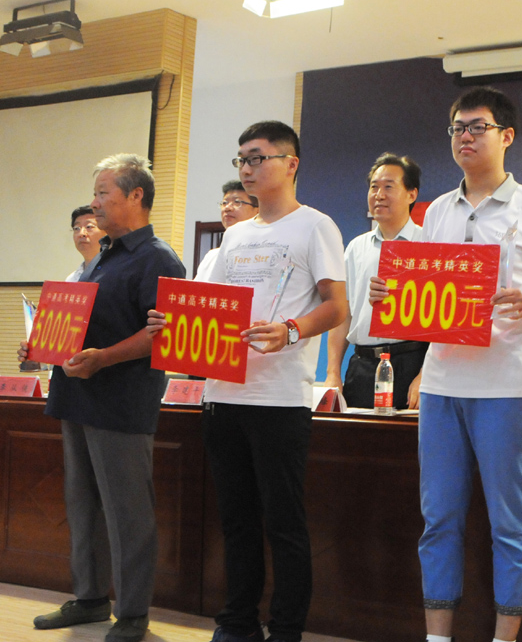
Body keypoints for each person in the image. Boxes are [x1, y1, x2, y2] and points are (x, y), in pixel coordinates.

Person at [368, 86, 522, 642]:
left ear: (507, 136)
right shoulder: (436, 210)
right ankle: (438, 636)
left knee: (509, 522)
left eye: (478, 127)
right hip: (441, 385)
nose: (465, 136)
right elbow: (422, 297)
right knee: (439, 520)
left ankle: (504, 638)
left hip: (507, 387)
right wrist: (391, 293)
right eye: (458, 128)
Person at [151, 121, 347, 642]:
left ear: (291, 163)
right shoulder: (234, 236)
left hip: (279, 399)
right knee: (235, 520)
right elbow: (208, 307)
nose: (247, 169)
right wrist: (173, 321)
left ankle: (285, 630)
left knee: (283, 523)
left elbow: (337, 307)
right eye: (241, 160)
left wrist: (290, 330)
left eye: (258, 158)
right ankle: (237, 623)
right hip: (222, 395)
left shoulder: (315, 226)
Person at [18, 154, 185, 642]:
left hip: (121, 402)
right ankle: (90, 598)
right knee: (83, 503)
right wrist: (42, 344)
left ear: (136, 195)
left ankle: (132, 612)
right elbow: (81, 323)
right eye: (94, 194)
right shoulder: (101, 258)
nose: (93, 204)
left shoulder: (157, 258)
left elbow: (164, 334)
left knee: (127, 509)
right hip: (77, 395)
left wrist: (104, 358)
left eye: (102, 193)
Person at [326, 153, 427, 409]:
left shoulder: (428, 244)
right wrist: (333, 372)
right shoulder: (356, 247)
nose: (379, 195)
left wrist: (426, 374)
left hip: (412, 363)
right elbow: (344, 313)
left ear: (412, 194)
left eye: (389, 187)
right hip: (362, 365)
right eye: (374, 187)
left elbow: (442, 323)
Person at [194, 181, 259, 282]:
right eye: (224, 203)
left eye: (237, 202)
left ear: (258, 210)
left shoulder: (261, 253)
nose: (227, 208)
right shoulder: (211, 256)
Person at [66, 205, 106, 282]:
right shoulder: (72, 279)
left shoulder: (118, 272)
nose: (81, 233)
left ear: (107, 232)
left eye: (89, 227)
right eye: (77, 228)